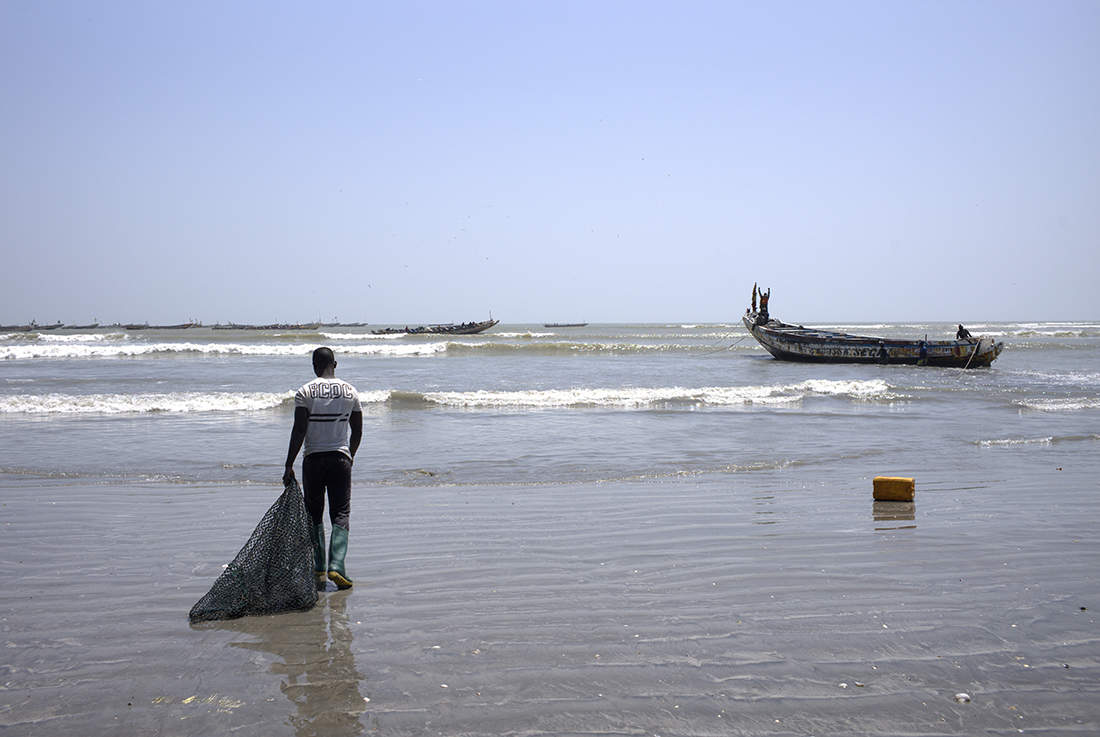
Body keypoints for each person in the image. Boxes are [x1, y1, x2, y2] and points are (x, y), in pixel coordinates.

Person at [284, 347, 363, 590]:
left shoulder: (305, 391)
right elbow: (358, 429)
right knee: (341, 513)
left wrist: (289, 464)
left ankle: (318, 567)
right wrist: (350, 454)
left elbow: (299, 430)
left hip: (313, 460)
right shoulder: (350, 391)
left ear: (314, 366)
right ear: (335, 364)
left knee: (314, 513)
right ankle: (336, 566)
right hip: (340, 459)